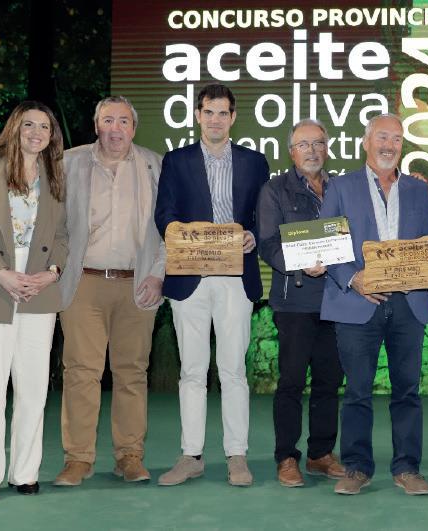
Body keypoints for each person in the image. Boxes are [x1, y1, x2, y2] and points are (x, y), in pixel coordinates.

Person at [154, 83, 269, 487]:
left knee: (233, 370)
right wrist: (183, 235)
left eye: (223, 113)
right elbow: (163, 214)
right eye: (209, 112)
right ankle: (191, 456)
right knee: (192, 371)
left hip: (237, 278)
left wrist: (254, 235)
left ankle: (237, 456)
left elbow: (263, 216)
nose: (216, 120)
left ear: (233, 117)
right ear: (197, 115)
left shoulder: (255, 162)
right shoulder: (176, 160)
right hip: (190, 279)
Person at [0, 101, 68, 501]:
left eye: (45, 127)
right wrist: (2, 273)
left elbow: (63, 235)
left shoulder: (55, 175)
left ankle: (25, 473)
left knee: (34, 389)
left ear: (52, 135)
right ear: (14, 128)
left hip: (39, 288)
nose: (37, 133)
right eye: (29, 125)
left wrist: (52, 272)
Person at [319, 114, 428, 496]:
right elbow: (326, 244)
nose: (389, 145)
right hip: (357, 301)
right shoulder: (340, 187)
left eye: (397, 139)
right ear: (366, 142)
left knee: (408, 390)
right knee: (357, 391)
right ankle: (356, 468)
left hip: (408, 304)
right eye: (382, 137)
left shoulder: (418, 190)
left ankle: (408, 468)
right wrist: (354, 278)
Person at [53, 96, 165, 487]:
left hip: (138, 284)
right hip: (83, 283)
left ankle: (130, 457)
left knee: (132, 373)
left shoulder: (155, 165)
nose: (115, 129)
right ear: (96, 125)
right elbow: (51, 223)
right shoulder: (68, 163)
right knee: (80, 372)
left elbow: (170, 227)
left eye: (123, 121)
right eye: (107, 120)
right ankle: (77, 459)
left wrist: (159, 274)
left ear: (134, 127)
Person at [256, 118, 346, 487]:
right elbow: (267, 244)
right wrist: (300, 262)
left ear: (327, 148)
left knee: (329, 381)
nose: (312, 151)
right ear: (291, 152)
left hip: (336, 300)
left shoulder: (340, 187)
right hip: (294, 302)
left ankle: (320, 454)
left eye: (318, 143)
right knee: (291, 382)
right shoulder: (274, 190)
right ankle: (286, 457)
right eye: (304, 145)